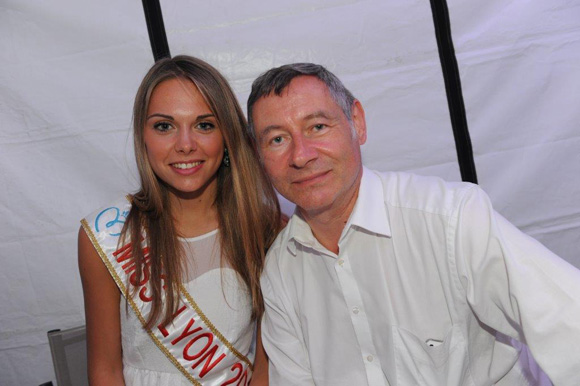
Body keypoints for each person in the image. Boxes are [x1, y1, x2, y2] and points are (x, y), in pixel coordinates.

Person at [246, 63, 580, 386]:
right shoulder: (280, 272)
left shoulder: (451, 219)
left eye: (317, 127)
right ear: (259, 157)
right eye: (277, 139)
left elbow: (568, 323)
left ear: (357, 122)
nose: (301, 155)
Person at [78, 55, 281, 386]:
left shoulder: (266, 228)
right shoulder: (106, 236)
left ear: (227, 135)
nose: (185, 145)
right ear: (143, 136)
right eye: (164, 126)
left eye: (204, 125)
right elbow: (106, 371)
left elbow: (266, 368)